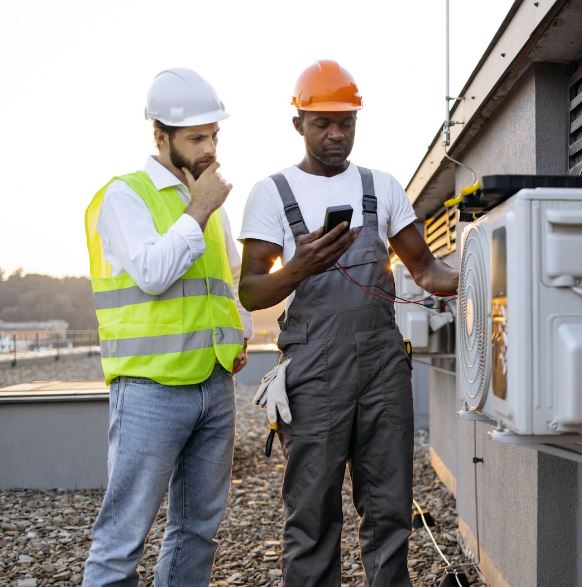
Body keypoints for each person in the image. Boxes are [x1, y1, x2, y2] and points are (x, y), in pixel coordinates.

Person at [238, 59, 458, 586]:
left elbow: (426, 269)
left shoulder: (381, 187)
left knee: (388, 508)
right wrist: (300, 266)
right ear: (299, 123)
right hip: (314, 370)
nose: (337, 134)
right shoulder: (272, 194)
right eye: (323, 123)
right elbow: (250, 289)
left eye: (347, 122)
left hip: (383, 367)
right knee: (312, 514)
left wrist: (488, 273)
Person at [83, 67, 252, 586]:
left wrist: (241, 329)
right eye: (196, 137)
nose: (209, 148)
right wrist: (199, 208)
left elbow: (230, 275)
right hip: (149, 389)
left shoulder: (208, 205)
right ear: (161, 136)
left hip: (213, 383)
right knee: (122, 539)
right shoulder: (125, 196)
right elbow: (154, 275)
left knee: (197, 530)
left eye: (214, 136)